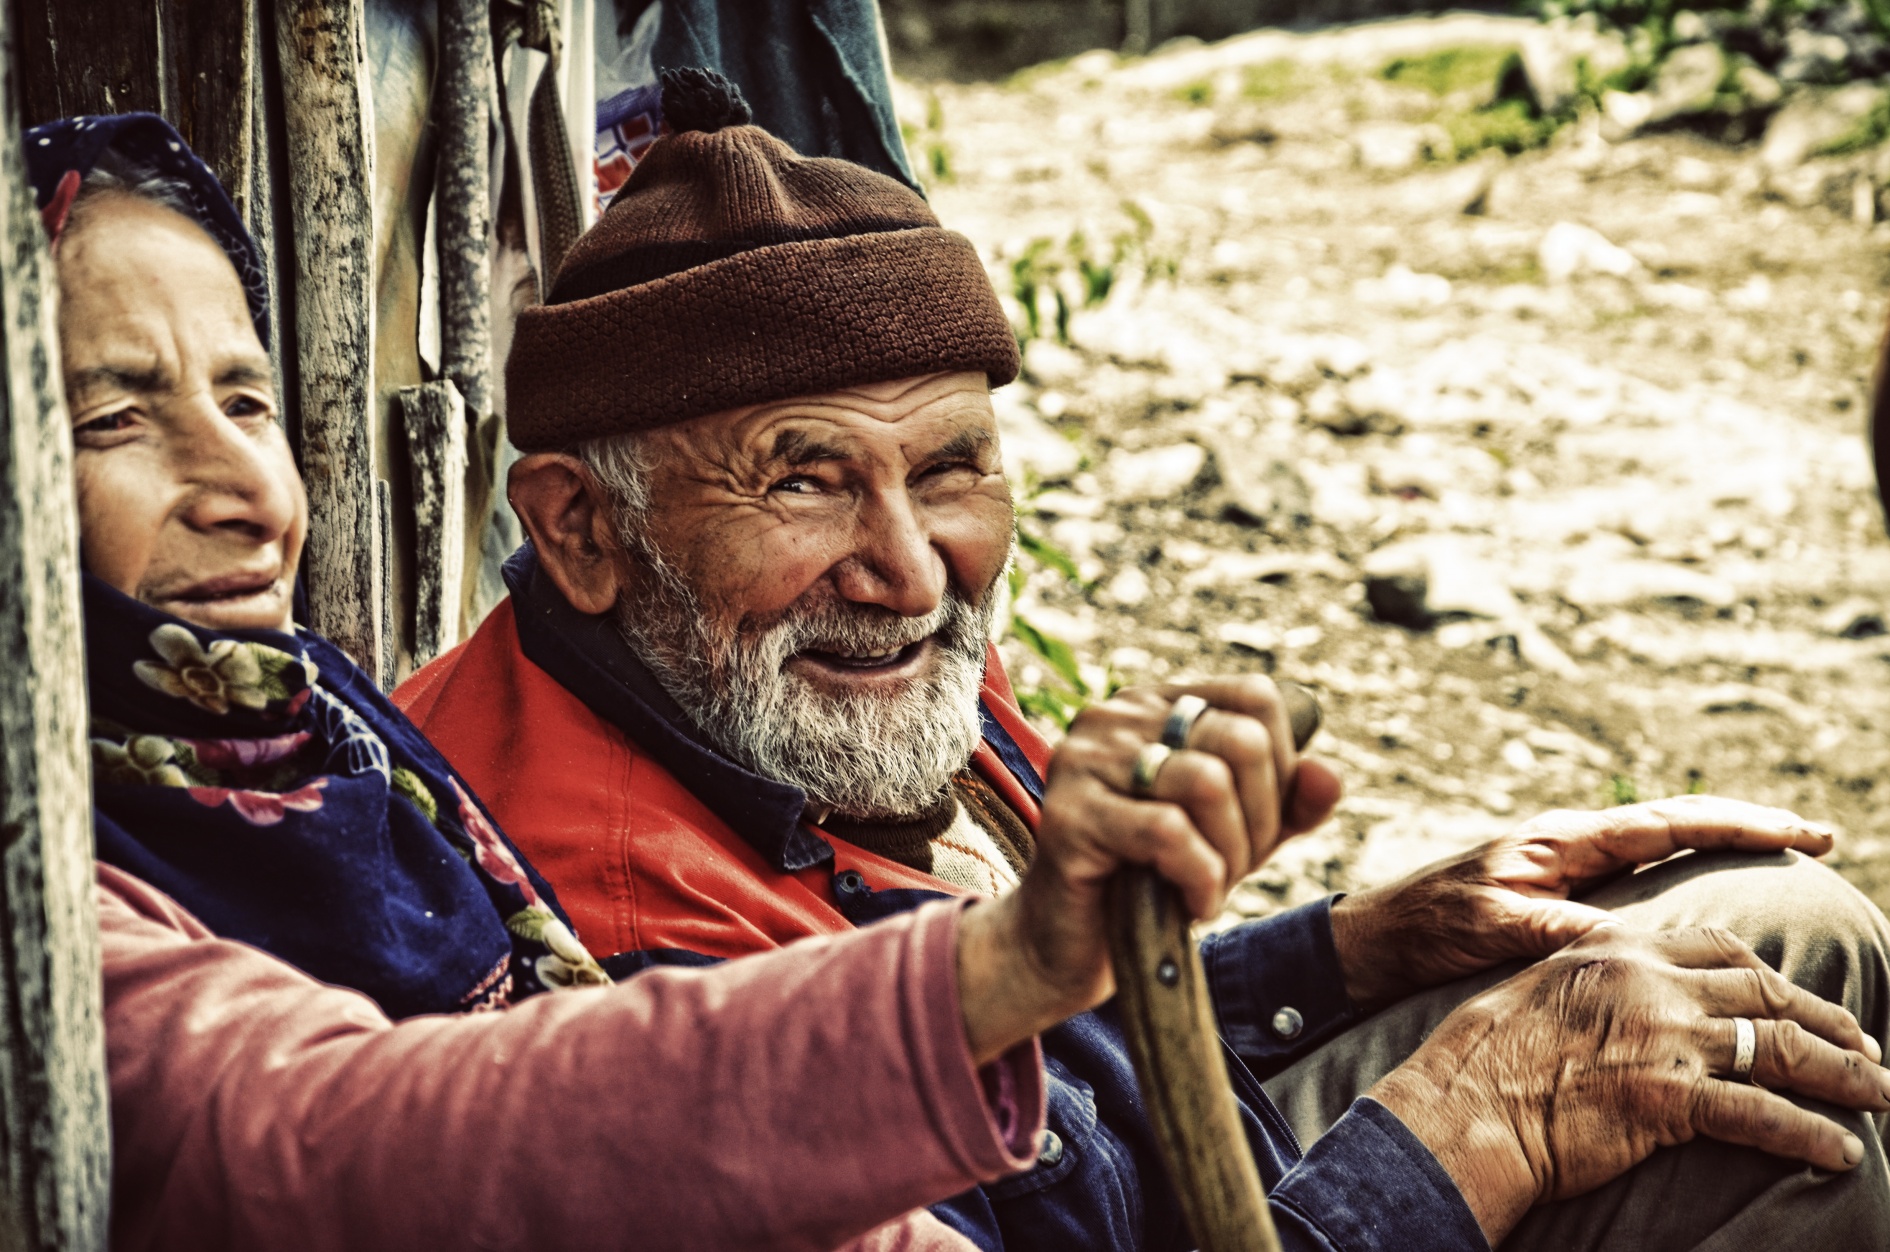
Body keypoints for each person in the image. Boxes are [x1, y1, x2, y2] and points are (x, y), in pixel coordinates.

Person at [403, 70, 1890, 1250]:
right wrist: (1479, 1115)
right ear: (583, 528)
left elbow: (1033, 1025)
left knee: (1775, 928)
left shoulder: (762, 687)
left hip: (1152, 1170)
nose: (909, 569)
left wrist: (1348, 949)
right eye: (802, 480)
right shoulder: (611, 944)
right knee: (1792, 1148)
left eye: (949, 471)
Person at [29, 110, 1228, 1252]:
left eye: (246, 401)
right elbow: (358, 1138)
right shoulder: (58, 885)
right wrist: (1002, 971)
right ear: (584, 531)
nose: (251, 495)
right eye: (109, 420)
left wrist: (1329, 953)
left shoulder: (333, 758)